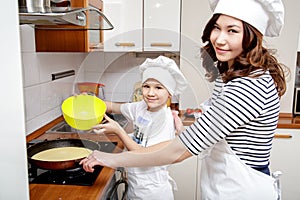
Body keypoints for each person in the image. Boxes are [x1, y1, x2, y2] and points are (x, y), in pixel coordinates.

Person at [80, 0, 288, 199]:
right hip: (226, 185)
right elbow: (207, 136)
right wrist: (184, 132)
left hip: (242, 191)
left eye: (232, 30)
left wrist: (110, 158)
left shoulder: (247, 87)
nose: (219, 39)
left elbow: (176, 152)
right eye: (217, 28)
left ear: (252, 37)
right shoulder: (232, 77)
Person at [91, 55, 188, 200]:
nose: (150, 93)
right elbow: (113, 107)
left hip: (154, 192)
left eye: (158, 88)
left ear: (169, 93)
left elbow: (145, 155)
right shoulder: (141, 107)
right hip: (136, 188)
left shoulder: (165, 120)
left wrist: (118, 130)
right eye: (146, 86)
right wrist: (87, 100)